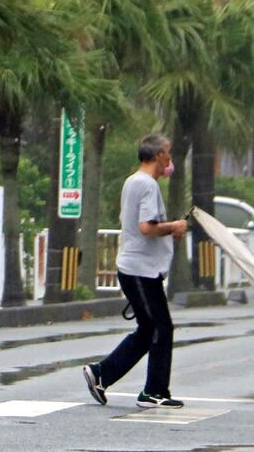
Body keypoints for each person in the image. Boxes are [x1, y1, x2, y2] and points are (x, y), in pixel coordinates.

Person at [83, 134, 187, 408]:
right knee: (161, 328)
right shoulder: (147, 185)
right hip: (140, 269)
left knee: (149, 329)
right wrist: (173, 226)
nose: (170, 159)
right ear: (158, 155)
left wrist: (167, 230)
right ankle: (154, 391)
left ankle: (101, 373)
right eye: (169, 153)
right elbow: (146, 227)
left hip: (138, 268)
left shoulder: (134, 181)